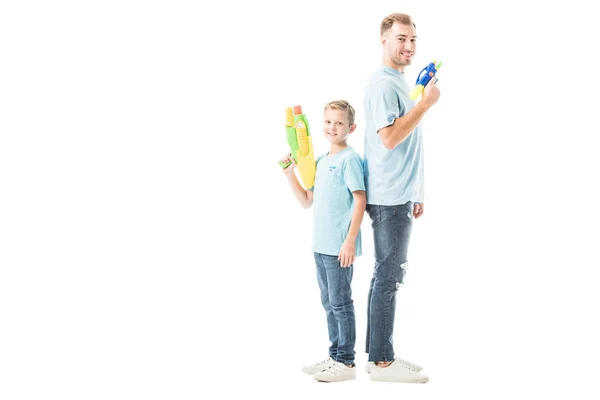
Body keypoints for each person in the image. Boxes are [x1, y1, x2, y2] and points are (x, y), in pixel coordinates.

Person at [362, 13, 440, 383]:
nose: (408, 46)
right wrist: (426, 104)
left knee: (389, 275)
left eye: (412, 40)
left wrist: (416, 192)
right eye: (401, 39)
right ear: (384, 41)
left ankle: (381, 356)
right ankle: (382, 363)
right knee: (388, 276)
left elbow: (407, 144)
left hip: (400, 194)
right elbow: (390, 138)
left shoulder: (399, 81)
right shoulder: (381, 85)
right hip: (389, 196)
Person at [279, 100, 366, 382]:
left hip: (339, 247)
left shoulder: (350, 160)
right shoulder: (321, 160)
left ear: (350, 128)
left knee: (341, 303)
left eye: (339, 122)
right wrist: (290, 174)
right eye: (328, 121)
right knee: (329, 302)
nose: (333, 127)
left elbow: (360, 199)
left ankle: (347, 362)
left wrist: (350, 240)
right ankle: (334, 356)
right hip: (320, 245)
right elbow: (307, 200)